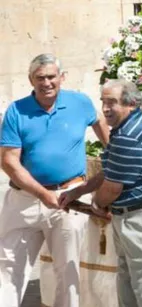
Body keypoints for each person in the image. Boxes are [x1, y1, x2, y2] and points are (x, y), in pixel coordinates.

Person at [58, 79, 142, 307]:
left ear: (131, 104)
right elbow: (113, 169)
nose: (105, 109)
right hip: (136, 219)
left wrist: (96, 203)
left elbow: (113, 187)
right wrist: (82, 190)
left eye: (112, 102)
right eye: (103, 102)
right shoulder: (126, 126)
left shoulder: (128, 135)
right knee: (130, 296)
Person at [0, 54, 109, 307]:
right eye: (40, 78)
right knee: (7, 269)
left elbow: (102, 127)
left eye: (51, 77)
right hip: (24, 200)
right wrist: (42, 194)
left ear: (62, 78)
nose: (46, 83)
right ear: (31, 80)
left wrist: (114, 158)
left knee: (67, 273)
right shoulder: (16, 111)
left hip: (70, 197)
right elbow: (8, 161)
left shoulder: (80, 103)